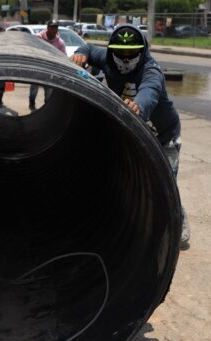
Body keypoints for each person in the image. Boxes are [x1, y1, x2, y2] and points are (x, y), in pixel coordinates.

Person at [70, 24, 191, 249]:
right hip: (132, 130)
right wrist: (80, 53)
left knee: (165, 187)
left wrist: (138, 106)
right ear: (112, 51)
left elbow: (149, 93)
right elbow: (88, 48)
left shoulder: (151, 71)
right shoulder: (106, 58)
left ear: (142, 51)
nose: (126, 58)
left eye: (131, 52)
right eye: (121, 52)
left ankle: (177, 224)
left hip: (164, 137)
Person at [29, 20, 67, 110]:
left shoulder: (60, 43)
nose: (54, 30)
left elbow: (64, 57)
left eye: (56, 28)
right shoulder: (38, 37)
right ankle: (32, 102)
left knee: (49, 89)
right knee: (34, 87)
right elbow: (31, 49)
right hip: (37, 67)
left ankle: (46, 107)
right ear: (47, 28)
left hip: (50, 69)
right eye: (52, 27)